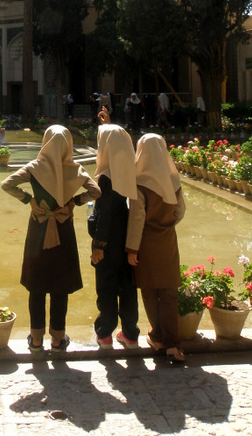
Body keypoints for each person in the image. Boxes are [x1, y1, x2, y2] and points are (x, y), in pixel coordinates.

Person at [2, 124, 101, 353]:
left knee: (36, 284)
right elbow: (96, 192)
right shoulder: (75, 169)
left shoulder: (34, 168)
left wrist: (30, 200)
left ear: (45, 142)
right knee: (60, 285)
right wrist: (73, 202)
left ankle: (36, 339)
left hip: (39, 229)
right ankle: (58, 339)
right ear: (68, 144)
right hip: (63, 229)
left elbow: (7, 184)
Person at [126, 133, 186, 364]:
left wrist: (132, 248)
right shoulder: (174, 180)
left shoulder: (139, 182)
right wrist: (165, 226)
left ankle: (157, 337)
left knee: (150, 290)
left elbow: (137, 219)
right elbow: (180, 213)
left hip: (146, 243)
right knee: (169, 291)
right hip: (168, 240)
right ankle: (173, 345)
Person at [90, 109, 140, 349]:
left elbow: (105, 214)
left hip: (109, 242)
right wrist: (108, 126)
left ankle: (105, 333)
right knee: (128, 288)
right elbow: (115, 140)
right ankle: (130, 334)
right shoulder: (130, 169)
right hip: (128, 238)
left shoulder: (106, 179)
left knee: (107, 287)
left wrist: (98, 245)